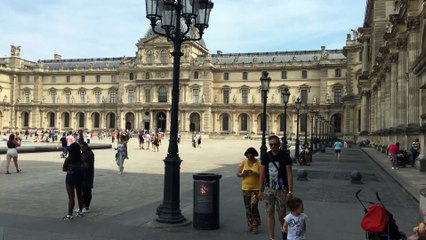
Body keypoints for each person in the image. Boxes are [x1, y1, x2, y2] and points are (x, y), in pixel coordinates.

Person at [258, 135, 293, 240]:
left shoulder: (285, 156)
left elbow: (289, 174)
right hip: (269, 189)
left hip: (282, 189)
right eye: (271, 145)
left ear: (279, 144)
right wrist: (260, 190)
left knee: (282, 213)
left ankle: (284, 230)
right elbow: (262, 174)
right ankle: (271, 237)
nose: (273, 146)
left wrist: (290, 191)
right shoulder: (265, 156)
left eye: (275, 144)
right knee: (269, 212)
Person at [237, 147, 261, 234]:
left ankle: (255, 225)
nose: (249, 158)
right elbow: (238, 173)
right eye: (248, 157)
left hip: (256, 189)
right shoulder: (243, 163)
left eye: (251, 157)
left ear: (254, 155)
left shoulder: (259, 163)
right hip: (245, 188)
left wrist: (253, 172)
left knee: (254, 206)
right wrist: (243, 174)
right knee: (247, 208)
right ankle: (250, 224)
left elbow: (262, 175)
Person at [62, 142, 84, 221]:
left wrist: (70, 169)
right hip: (79, 177)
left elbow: (63, 169)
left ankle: (69, 215)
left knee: (71, 197)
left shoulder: (68, 159)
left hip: (70, 177)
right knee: (79, 194)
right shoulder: (81, 158)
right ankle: (80, 211)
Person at [80, 142, 94, 213]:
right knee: (82, 191)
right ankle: (83, 206)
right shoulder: (82, 154)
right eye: (80, 147)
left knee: (87, 191)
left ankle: (87, 206)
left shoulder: (90, 154)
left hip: (88, 175)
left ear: (86, 147)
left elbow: (88, 166)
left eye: (82, 147)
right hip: (82, 175)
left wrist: (81, 163)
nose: (81, 149)